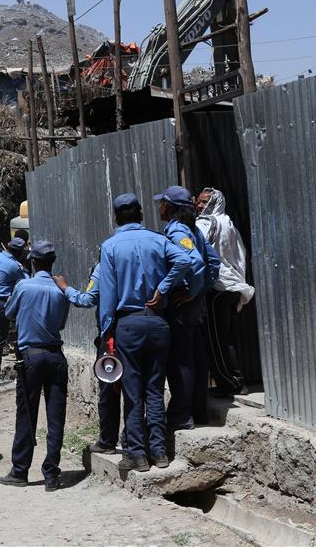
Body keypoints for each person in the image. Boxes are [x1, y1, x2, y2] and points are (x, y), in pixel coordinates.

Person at [98, 193, 190, 472]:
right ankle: (159, 452)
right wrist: (164, 288)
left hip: (128, 324)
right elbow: (185, 261)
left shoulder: (110, 246)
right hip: (158, 323)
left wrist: (106, 331)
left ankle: (137, 454)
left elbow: (108, 294)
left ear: (116, 218)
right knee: (154, 388)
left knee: (132, 392)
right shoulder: (158, 240)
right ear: (140, 215)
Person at [0, 241, 70, 491]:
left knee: (27, 413)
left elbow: (8, 313)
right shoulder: (62, 290)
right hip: (56, 356)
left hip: (31, 357)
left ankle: (20, 471)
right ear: (52, 262)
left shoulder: (23, 286)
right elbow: (60, 324)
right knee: (56, 417)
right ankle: (51, 474)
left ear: (32, 261)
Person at [154, 185, 221, 430]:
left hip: (182, 306)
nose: (158, 206)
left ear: (169, 207)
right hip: (193, 304)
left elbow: (194, 261)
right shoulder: (192, 229)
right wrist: (201, 291)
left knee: (181, 359)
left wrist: (191, 292)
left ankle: (181, 414)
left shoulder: (177, 231)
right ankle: (198, 410)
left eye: (161, 202)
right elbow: (213, 261)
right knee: (196, 355)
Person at [196, 187, 254, 396]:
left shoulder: (206, 223)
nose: (199, 206)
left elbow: (197, 252)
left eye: (204, 202)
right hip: (232, 285)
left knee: (215, 338)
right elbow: (240, 254)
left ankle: (231, 383)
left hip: (218, 287)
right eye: (199, 202)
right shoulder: (228, 222)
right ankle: (235, 379)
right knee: (224, 336)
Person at [65, 261, 121, 454]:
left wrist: (66, 288)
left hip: (112, 336)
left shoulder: (104, 264)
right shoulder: (151, 254)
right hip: (142, 331)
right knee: (134, 389)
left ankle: (107, 441)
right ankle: (133, 441)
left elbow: (88, 299)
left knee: (108, 389)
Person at [0, 237, 29, 384]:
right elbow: (26, 281)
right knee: (16, 334)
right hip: (3, 303)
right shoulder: (14, 266)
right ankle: (21, 369)